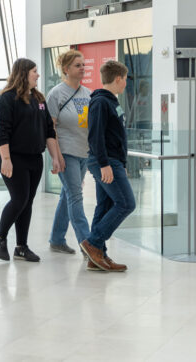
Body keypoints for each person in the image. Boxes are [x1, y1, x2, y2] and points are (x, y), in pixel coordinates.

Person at [0, 58, 64, 262]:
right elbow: (1, 132)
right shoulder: (6, 99)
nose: (38, 75)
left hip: (35, 159)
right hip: (14, 158)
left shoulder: (38, 99)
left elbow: (49, 130)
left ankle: (21, 247)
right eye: (34, 71)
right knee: (19, 199)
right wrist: (6, 159)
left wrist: (55, 157)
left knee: (27, 202)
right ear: (23, 73)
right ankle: (0, 237)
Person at [80, 60, 134, 272]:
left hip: (113, 161)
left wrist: (122, 163)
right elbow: (95, 137)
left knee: (105, 205)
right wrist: (105, 164)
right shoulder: (101, 102)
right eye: (125, 79)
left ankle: (97, 256)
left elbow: (117, 135)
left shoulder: (111, 101)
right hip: (105, 161)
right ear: (118, 78)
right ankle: (93, 243)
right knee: (126, 203)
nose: (126, 84)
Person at [46, 51, 93, 254]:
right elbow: (50, 128)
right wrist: (56, 156)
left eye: (83, 65)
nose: (82, 68)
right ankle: (88, 244)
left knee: (67, 195)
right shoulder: (56, 94)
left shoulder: (88, 93)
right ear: (66, 69)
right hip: (66, 152)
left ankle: (56, 239)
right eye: (77, 65)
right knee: (75, 196)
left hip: (84, 152)